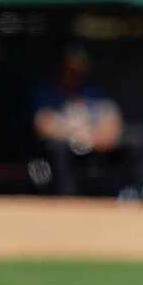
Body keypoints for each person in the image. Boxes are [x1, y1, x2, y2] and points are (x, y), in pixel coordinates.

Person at [30, 46, 131, 197]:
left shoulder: (95, 94)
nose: (75, 74)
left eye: (79, 69)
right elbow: (44, 127)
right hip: (63, 146)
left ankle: (127, 194)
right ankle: (67, 198)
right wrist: (75, 136)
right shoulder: (48, 93)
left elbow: (113, 125)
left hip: (95, 145)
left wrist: (93, 138)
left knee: (133, 141)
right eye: (70, 69)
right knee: (57, 148)